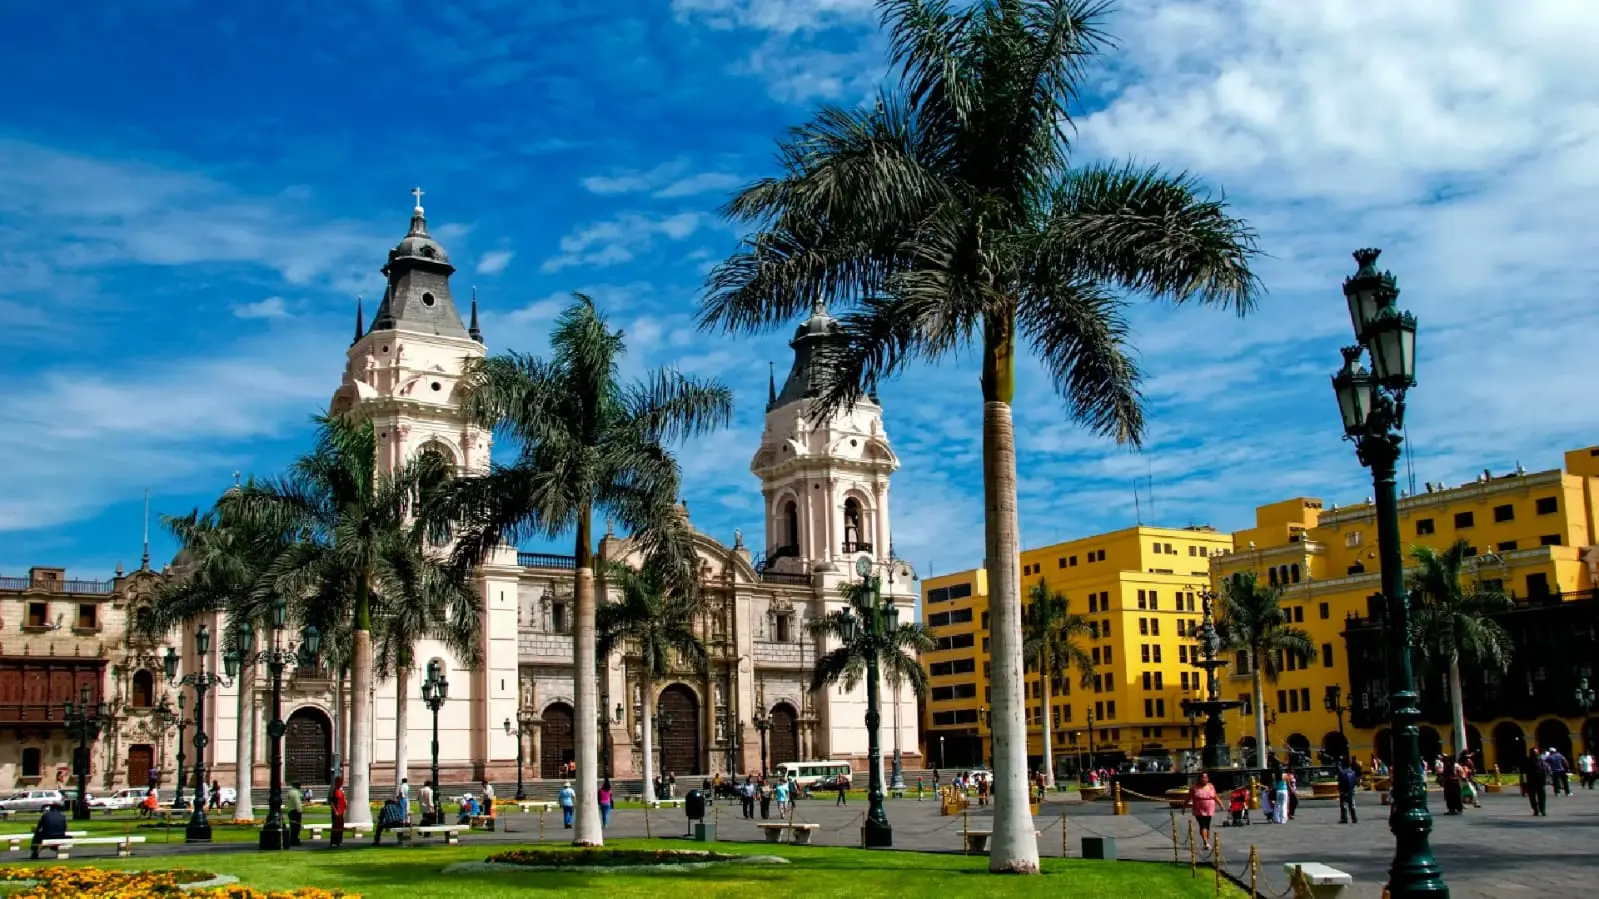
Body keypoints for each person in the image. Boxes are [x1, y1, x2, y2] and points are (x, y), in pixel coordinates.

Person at [1190, 773, 1219, 850]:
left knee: (1207, 825)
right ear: (1199, 779)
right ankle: (1206, 842)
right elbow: (1189, 797)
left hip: (1209, 809)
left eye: (1206, 777)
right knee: (1203, 824)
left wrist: (1221, 805)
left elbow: (1215, 796)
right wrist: (1184, 806)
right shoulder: (1195, 788)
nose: (1204, 779)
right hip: (1198, 809)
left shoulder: (1211, 787)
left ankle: (1205, 838)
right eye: (1203, 777)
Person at [1522, 748, 1549, 817]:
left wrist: (1545, 779)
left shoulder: (1541, 760)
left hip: (1540, 780)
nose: (1536, 753)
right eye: (1534, 752)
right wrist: (1524, 782)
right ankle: (1536, 809)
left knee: (1542, 796)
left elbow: (1544, 770)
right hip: (1531, 781)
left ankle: (1542, 810)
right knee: (1532, 797)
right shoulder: (1527, 760)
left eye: (1536, 752)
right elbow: (1524, 772)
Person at [1336, 758, 1359, 824]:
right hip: (1351, 790)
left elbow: (1340, 782)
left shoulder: (1342, 772)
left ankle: (1344, 819)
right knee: (1352, 805)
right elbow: (1355, 782)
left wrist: (1340, 790)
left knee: (1344, 805)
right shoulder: (1353, 772)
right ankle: (1354, 818)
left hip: (1344, 791)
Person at [329, 775, 348, 848]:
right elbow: (332, 802)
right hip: (336, 812)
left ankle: (338, 841)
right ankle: (334, 842)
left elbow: (342, 800)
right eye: (339, 781)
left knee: (340, 827)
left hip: (341, 812)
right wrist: (335, 811)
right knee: (336, 827)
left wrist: (345, 805)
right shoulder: (334, 790)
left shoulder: (340, 790)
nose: (341, 783)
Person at [285, 782, 305, 846]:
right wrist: (300, 810)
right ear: (296, 786)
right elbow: (297, 802)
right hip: (296, 811)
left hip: (290, 811)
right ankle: (295, 840)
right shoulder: (297, 792)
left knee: (292, 827)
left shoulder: (290, 791)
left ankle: (292, 840)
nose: (300, 786)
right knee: (296, 827)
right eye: (299, 785)